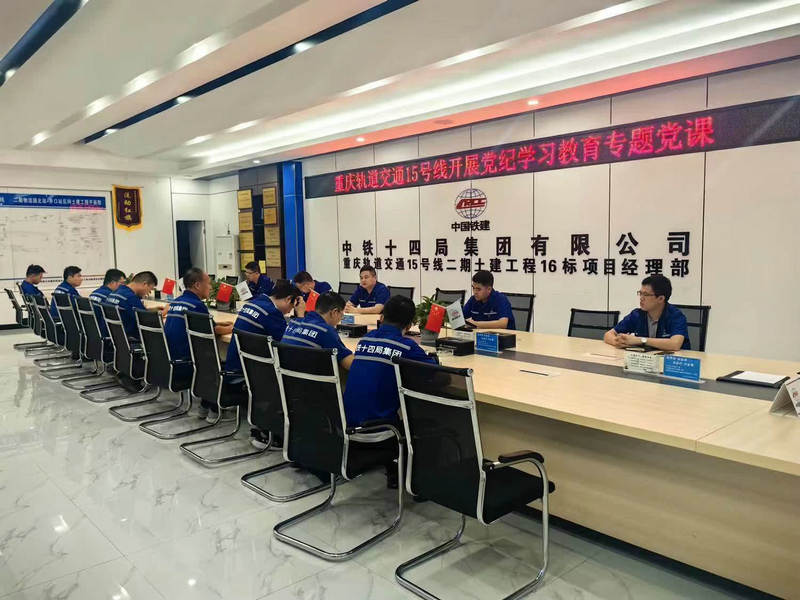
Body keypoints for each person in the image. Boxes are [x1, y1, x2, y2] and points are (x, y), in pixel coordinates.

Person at [163, 267, 234, 386]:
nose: (211, 287)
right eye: (208, 284)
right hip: (189, 363)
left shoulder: (176, 302)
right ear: (197, 285)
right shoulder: (196, 305)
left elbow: (201, 324)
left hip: (171, 359)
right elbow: (214, 330)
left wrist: (219, 324)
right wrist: (232, 328)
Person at [604, 274, 690, 351]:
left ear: (660, 298)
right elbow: (608, 334)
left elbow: (675, 344)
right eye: (640, 293)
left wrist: (640, 340)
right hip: (644, 360)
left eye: (646, 294)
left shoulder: (675, 316)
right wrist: (618, 342)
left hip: (672, 361)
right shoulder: (637, 314)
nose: (641, 298)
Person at [282, 291, 353, 370]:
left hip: (286, 375)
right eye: (342, 315)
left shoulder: (293, 323)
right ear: (335, 312)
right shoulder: (325, 330)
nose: (341, 319)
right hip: (311, 376)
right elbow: (350, 364)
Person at [105, 271, 158, 341]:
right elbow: (147, 321)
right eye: (150, 290)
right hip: (130, 340)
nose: (148, 293)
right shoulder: (130, 297)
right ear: (144, 284)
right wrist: (165, 312)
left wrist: (151, 310)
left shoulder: (116, 292)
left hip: (114, 338)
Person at [89, 268, 126, 337]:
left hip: (92, 331)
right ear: (113, 282)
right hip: (104, 333)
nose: (124, 286)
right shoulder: (110, 296)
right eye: (122, 283)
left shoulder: (95, 292)